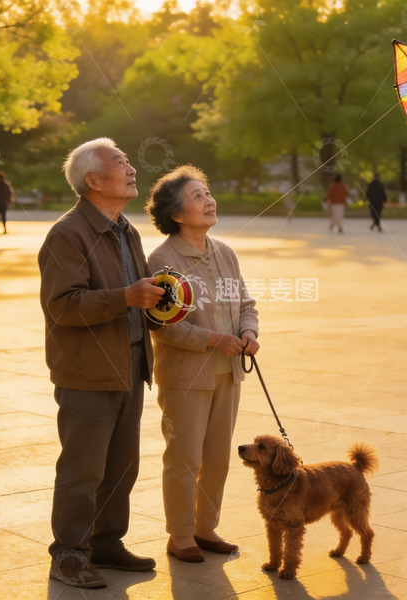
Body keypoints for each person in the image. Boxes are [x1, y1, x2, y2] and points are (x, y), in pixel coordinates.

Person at [38, 138, 165, 589]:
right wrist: (126, 297)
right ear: (93, 180)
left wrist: (160, 300)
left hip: (130, 364)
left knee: (121, 465)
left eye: (128, 160)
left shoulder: (125, 229)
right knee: (82, 470)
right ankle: (70, 556)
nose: (131, 167)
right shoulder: (67, 234)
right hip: (88, 372)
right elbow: (63, 306)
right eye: (120, 162)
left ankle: (107, 543)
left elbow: (134, 295)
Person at [145, 165, 259, 564]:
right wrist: (215, 339)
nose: (209, 201)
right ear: (177, 214)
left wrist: (248, 332)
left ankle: (205, 527)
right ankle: (179, 534)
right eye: (197, 196)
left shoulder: (224, 252)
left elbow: (245, 302)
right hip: (185, 377)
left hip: (229, 374)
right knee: (184, 457)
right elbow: (163, 327)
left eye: (207, 193)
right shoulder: (162, 260)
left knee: (218, 457)